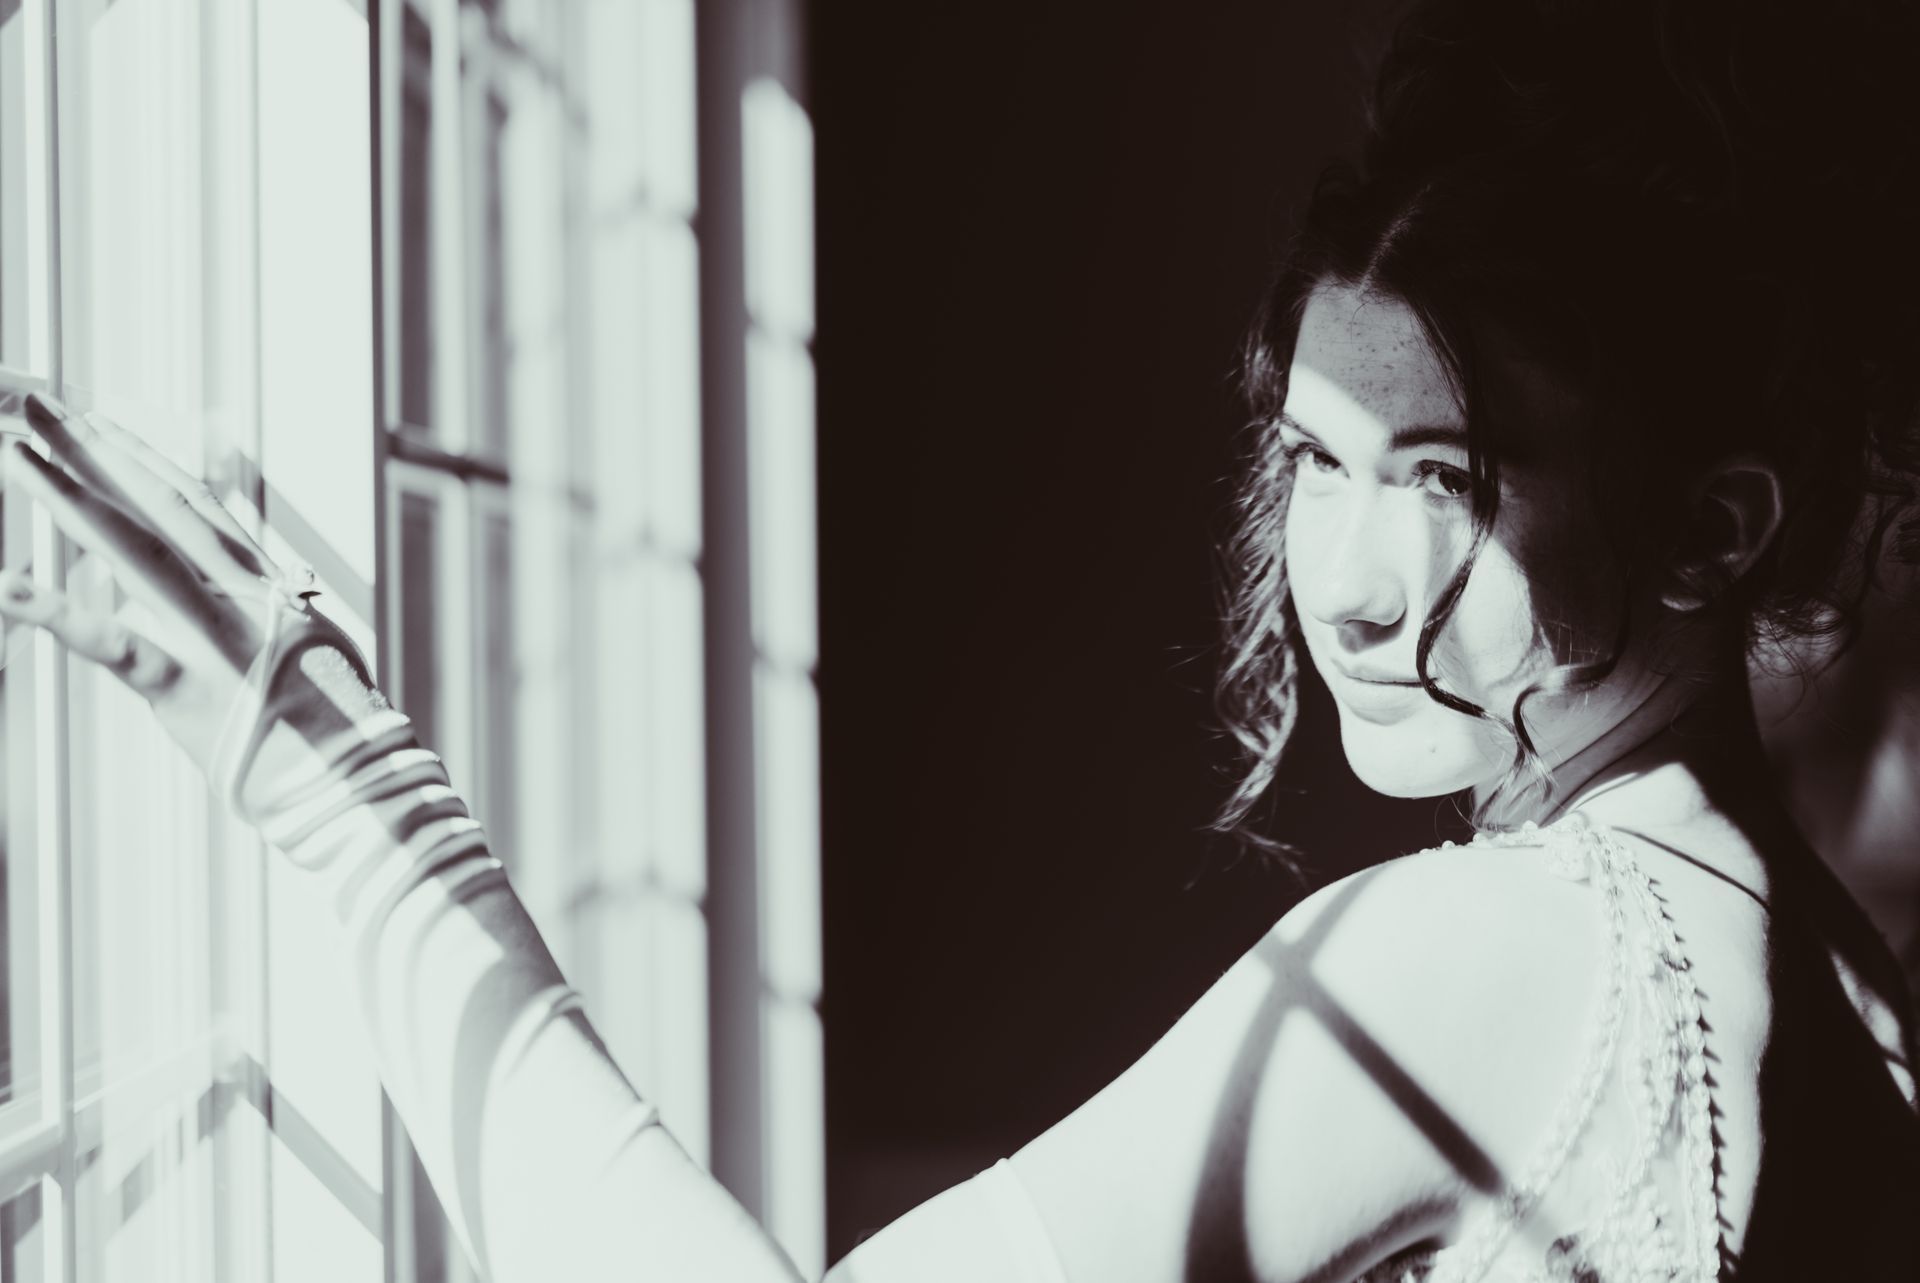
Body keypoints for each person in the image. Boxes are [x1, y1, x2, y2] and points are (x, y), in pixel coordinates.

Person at [3, 0, 1919, 1279]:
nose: (1342, 578)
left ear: (1709, 523)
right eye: (1314, 457)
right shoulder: (1828, 966)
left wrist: (334, 776)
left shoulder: (1490, 955)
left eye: (1444, 474)